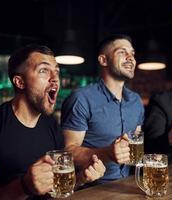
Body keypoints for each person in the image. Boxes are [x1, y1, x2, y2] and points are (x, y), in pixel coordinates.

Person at [0, 44, 105, 200]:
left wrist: (80, 178)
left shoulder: (52, 126)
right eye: (43, 70)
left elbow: (53, 191)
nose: (55, 79)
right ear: (19, 82)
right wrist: (24, 187)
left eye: (57, 72)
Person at [61, 34, 144, 184]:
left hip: (128, 184)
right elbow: (67, 153)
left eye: (132, 53)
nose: (130, 57)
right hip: (91, 188)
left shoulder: (136, 101)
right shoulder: (81, 99)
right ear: (103, 60)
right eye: (122, 52)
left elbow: (135, 144)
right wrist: (106, 153)